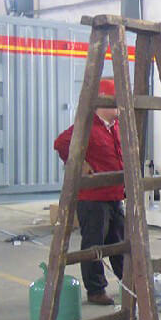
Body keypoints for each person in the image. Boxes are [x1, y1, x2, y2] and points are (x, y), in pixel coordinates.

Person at [54, 78, 125, 306]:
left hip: (114, 196)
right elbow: (61, 143)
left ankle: (129, 282)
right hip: (93, 199)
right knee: (94, 245)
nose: (119, 106)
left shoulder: (115, 127)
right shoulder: (86, 126)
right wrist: (79, 162)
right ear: (102, 102)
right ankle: (95, 290)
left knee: (120, 242)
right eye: (115, 101)